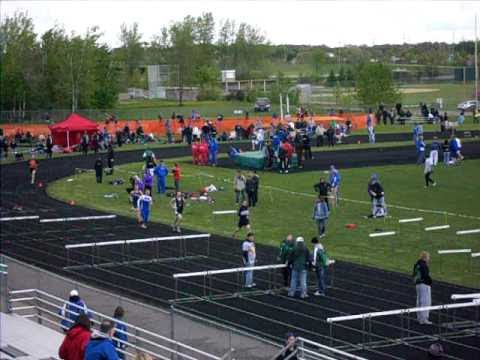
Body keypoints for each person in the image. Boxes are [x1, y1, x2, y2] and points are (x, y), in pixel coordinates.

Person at [413, 251, 433, 325]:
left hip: (418, 284)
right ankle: (424, 319)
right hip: (424, 284)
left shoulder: (417, 264)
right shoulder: (423, 265)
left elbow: (414, 275)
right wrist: (430, 282)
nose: (429, 259)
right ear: (425, 257)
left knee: (419, 301)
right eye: (428, 257)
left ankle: (419, 318)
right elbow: (425, 276)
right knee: (426, 302)